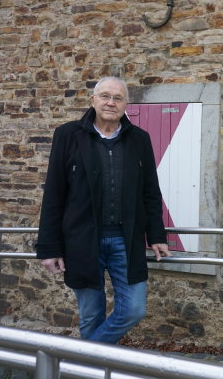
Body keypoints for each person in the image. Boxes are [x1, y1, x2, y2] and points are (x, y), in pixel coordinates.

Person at [35, 77, 171, 344]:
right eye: (105, 96)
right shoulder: (68, 135)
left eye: (118, 98)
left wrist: (156, 235)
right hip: (83, 241)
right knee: (90, 316)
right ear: (93, 101)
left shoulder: (139, 139)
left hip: (125, 241)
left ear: (126, 104)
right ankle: (93, 370)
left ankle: (81, 360)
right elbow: (54, 194)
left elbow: (150, 192)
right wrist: (49, 247)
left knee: (133, 310)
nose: (111, 102)